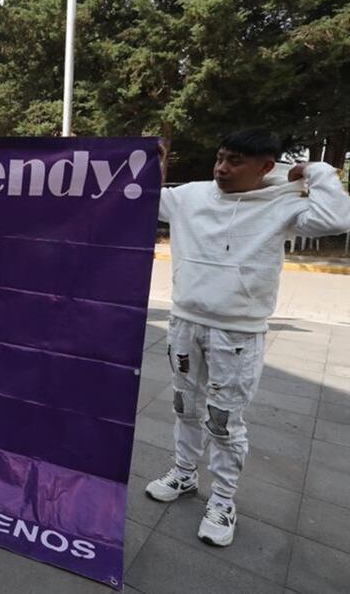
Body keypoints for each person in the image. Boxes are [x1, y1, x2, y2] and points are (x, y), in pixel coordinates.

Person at [146, 130, 350, 547]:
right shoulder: (190, 196)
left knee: (223, 422)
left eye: (235, 161)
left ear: (266, 167)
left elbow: (336, 218)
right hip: (185, 323)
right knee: (185, 406)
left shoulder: (282, 204)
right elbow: (141, 199)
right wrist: (151, 162)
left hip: (237, 334)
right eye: (220, 158)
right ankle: (184, 474)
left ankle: (223, 500)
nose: (222, 168)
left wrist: (314, 170)